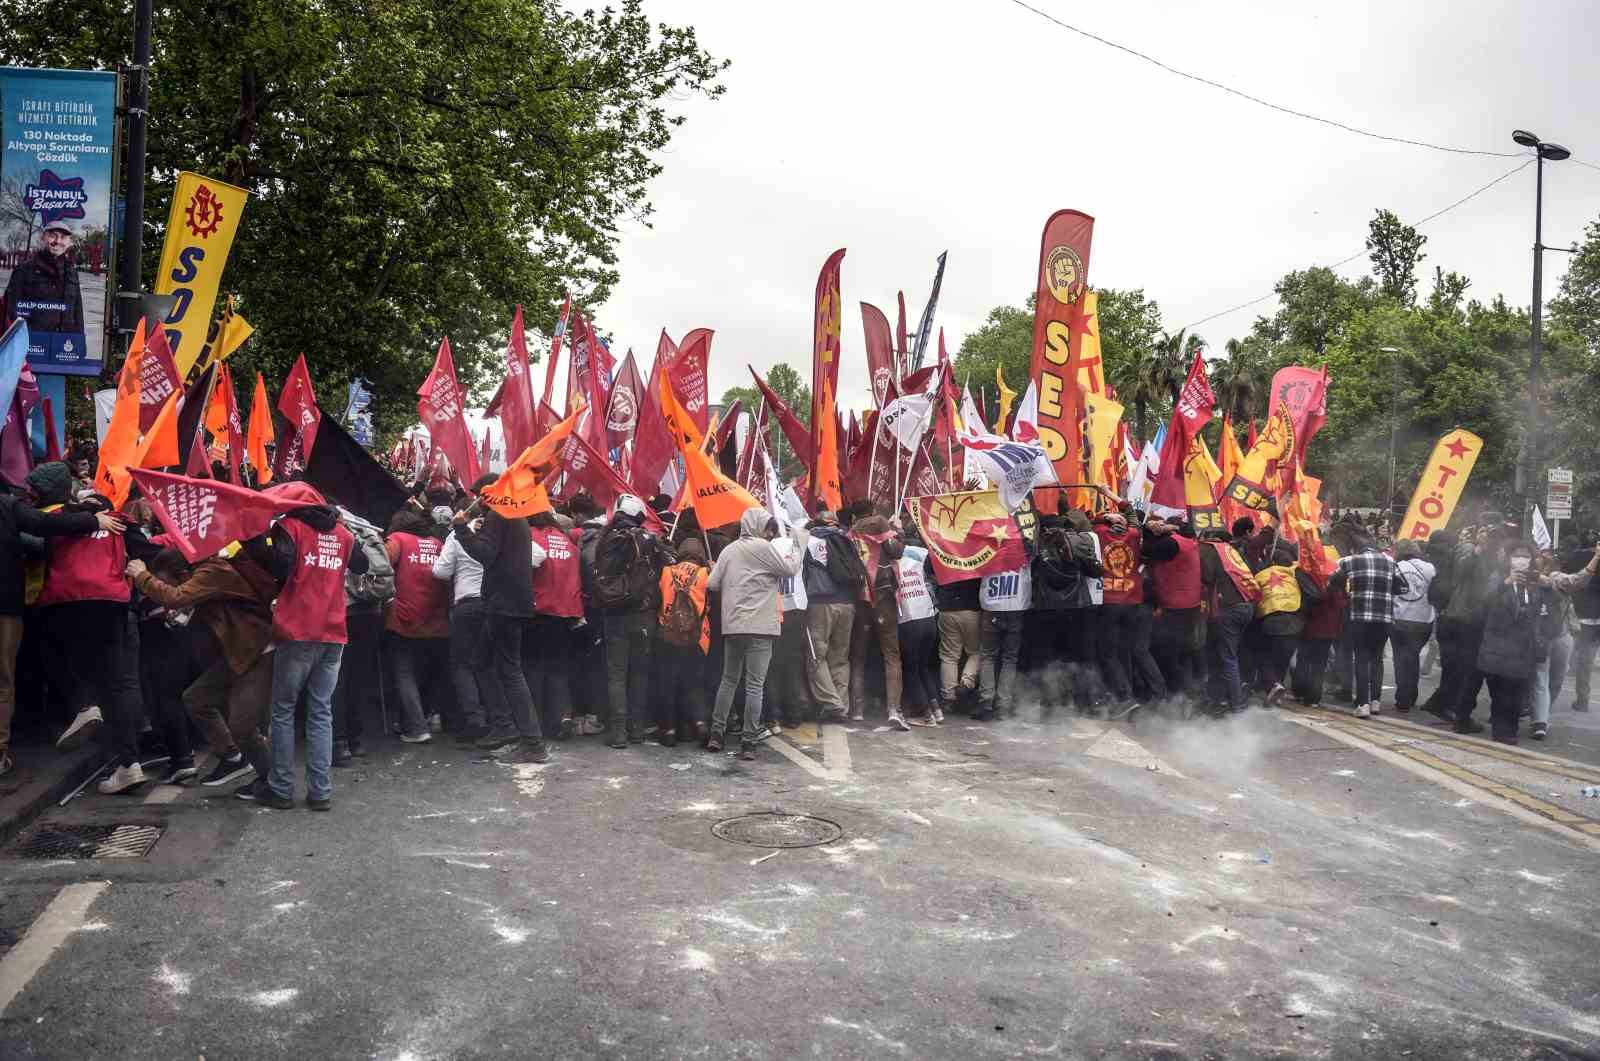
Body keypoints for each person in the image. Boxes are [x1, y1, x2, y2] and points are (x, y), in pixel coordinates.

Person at [28, 463, 144, 793]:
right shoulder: (119, 519)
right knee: (117, 683)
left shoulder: (59, 517)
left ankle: (83, 705)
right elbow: (146, 547)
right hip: (112, 603)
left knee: (57, 654)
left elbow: (36, 533)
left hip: (68, 600)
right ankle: (129, 763)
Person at [126, 540, 279, 792]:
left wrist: (141, 575)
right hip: (235, 652)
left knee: (242, 725)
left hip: (255, 651)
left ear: (183, 574)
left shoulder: (213, 570)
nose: (168, 587)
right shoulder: (205, 574)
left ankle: (273, 782)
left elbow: (176, 597)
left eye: (168, 581)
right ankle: (232, 757)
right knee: (197, 699)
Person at [0, 464, 121, 777]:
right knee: (7, 680)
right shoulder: (16, 508)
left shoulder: (24, 508)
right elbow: (40, 528)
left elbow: (39, 529)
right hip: (19, 604)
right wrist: (92, 518)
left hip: (28, 603)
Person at [250, 483, 365, 810]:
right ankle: (320, 791)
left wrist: (260, 534)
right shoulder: (343, 533)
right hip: (333, 633)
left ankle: (281, 788)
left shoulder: (290, 527)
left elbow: (277, 565)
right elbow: (363, 565)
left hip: (298, 629)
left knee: (283, 710)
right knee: (320, 711)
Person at [705, 508, 807, 757]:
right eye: (767, 528)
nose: (769, 533)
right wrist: (798, 544)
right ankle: (748, 741)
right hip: (761, 627)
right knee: (754, 685)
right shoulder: (763, 548)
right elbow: (790, 569)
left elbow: (711, 584)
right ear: (759, 528)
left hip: (734, 626)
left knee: (729, 680)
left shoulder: (729, 551)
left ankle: (717, 733)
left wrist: (717, 569)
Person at [456, 492, 549, 763]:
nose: (477, 501)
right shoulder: (513, 516)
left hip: (503, 604)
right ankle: (505, 725)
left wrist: (462, 530)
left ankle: (533, 743)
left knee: (509, 670)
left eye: (479, 496)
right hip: (508, 601)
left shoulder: (500, 514)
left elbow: (484, 554)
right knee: (481, 661)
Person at [591, 495, 672, 748]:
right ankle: (636, 729)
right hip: (644, 615)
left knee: (616, 674)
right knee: (639, 674)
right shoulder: (650, 540)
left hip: (615, 615)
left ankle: (618, 733)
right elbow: (670, 562)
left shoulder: (606, 538)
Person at [385, 504, 452, 742]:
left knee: (404, 673)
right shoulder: (437, 543)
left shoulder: (397, 540)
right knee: (428, 672)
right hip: (436, 618)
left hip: (404, 618)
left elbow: (381, 566)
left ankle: (415, 727)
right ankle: (429, 716)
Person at [433, 495, 496, 745]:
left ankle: (475, 719)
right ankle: (497, 719)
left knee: (462, 664)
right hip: (492, 605)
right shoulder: (495, 533)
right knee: (489, 664)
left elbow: (441, 571)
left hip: (466, 605)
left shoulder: (457, 536)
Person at [332, 507, 393, 765]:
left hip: (342, 610)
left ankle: (339, 742)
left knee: (336, 678)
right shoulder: (368, 529)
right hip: (370, 611)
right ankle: (357, 739)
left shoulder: (333, 531)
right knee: (359, 676)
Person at [1094, 510, 1166, 712]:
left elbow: (1090, 522)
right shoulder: (1134, 536)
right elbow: (1134, 519)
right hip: (1132, 600)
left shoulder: (1100, 532)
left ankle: (1124, 697)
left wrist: (1105, 518)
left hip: (1109, 601)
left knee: (1108, 652)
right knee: (1124, 649)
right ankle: (1130, 693)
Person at [1476, 542, 1547, 745]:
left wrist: (1545, 581)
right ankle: (1501, 730)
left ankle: (1510, 730)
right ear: (1509, 559)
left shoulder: (1534, 584)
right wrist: (1507, 582)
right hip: (1497, 647)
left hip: (1523, 648)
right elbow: (1484, 602)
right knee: (1500, 692)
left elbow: (1547, 608)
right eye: (1517, 555)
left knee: (1516, 693)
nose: (1521, 560)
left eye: (1526, 556)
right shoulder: (1498, 579)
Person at [1330, 531, 1406, 718]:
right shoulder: (1390, 561)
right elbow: (1403, 587)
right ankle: (1375, 702)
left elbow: (1333, 581)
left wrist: (1349, 590)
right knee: (1377, 659)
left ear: (1357, 548)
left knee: (1362, 658)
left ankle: (1362, 703)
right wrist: (1387, 590)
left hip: (1359, 617)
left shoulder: (1349, 561)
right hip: (1384, 619)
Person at [528, 510, 583, 741]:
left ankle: (537, 721)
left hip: (538, 610)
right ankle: (563, 716)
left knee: (534, 667)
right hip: (566, 612)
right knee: (558, 668)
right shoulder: (569, 544)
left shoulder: (530, 536)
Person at [847, 510, 905, 725]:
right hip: (883, 596)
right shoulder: (881, 524)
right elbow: (897, 551)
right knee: (891, 654)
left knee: (858, 656)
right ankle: (893, 710)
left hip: (860, 598)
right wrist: (898, 529)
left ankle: (857, 709)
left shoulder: (852, 533)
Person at [802, 510, 857, 722]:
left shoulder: (810, 539)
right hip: (847, 602)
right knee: (840, 657)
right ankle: (842, 705)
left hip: (820, 602)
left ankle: (831, 703)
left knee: (817, 655)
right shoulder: (847, 539)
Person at [1253, 540, 1323, 706]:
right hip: (1294, 623)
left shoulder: (1260, 574)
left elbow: (1253, 597)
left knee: (1263, 655)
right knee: (1283, 659)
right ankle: (1277, 688)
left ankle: (1273, 686)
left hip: (1270, 622)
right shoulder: (1295, 572)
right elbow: (1315, 595)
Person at [656, 536, 711, 748]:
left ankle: (669, 730)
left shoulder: (666, 571)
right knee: (694, 683)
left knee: (668, 683)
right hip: (698, 637)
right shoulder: (705, 573)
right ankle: (699, 723)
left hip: (668, 634)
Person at [1199, 528, 1260, 714]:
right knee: (1224, 654)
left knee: (1227, 657)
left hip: (1229, 608)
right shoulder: (1231, 551)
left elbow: (1207, 576)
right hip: (1246, 606)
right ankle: (1219, 698)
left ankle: (1236, 704)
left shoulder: (1211, 549)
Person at [977, 530, 1030, 723]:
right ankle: (1003, 704)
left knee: (988, 656)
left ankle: (986, 702)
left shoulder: (986, 553)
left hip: (992, 607)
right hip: (1016, 608)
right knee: (1009, 658)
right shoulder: (1025, 553)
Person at [2, 222, 86, 342]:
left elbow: (78, 314)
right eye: (53, 235)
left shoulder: (72, 273)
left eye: (63, 237)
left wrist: (80, 343)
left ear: (68, 242)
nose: (58, 241)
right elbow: (11, 312)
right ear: (43, 238)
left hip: (65, 348)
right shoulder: (24, 270)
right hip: (30, 346)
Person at [894, 535, 939, 727]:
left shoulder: (889, 563)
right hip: (928, 617)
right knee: (923, 667)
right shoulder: (919, 555)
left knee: (910, 670)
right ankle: (937, 710)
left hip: (908, 620)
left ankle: (925, 714)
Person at [1389, 539, 1436, 714]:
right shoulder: (1430, 568)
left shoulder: (1396, 566)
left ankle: (1403, 699)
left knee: (1400, 659)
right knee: (1413, 657)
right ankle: (1411, 695)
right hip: (1423, 621)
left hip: (1400, 620)